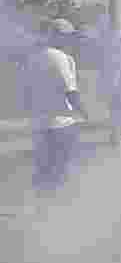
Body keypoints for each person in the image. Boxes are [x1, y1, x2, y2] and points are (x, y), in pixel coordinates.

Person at [20, 18, 89, 196]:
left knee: (44, 171)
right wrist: (85, 114)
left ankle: (42, 208)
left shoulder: (33, 57)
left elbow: (25, 93)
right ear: (59, 37)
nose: (70, 41)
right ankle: (59, 206)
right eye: (68, 37)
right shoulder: (60, 58)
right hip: (61, 125)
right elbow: (71, 92)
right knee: (61, 171)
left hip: (39, 126)